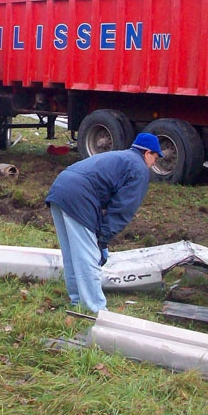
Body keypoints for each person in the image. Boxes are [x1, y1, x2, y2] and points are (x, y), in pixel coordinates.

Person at [45, 133, 162, 313]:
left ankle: (78, 303)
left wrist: (101, 237)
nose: (155, 162)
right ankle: (96, 311)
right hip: (78, 195)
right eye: (155, 156)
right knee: (87, 256)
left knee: (72, 253)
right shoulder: (138, 168)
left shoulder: (121, 158)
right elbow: (122, 210)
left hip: (60, 187)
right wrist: (102, 240)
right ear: (147, 153)